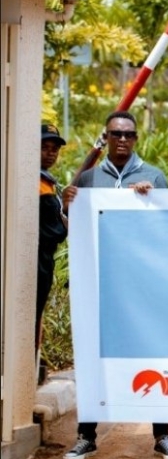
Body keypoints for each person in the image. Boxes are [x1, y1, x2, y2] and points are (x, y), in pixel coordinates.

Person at [61, 111, 168, 459]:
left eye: (129, 134)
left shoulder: (153, 176)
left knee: (153, 353)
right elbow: (72, 229)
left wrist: (149, 201)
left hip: (143, 284)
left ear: (136, 138)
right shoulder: (88, 178)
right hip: (100, 283)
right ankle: (86, 436)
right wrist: (68, 206)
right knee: (93, 354)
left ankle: (162, 435)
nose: (123, 140)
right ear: (107, 137)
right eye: (116, 134)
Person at [38, 124, 68, 357]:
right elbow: (53, 230)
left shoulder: (47, 182)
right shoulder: (37, 184)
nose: (50, 153)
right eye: (44, 147)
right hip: (37, 258)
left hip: (45, 258)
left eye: (54, 149)